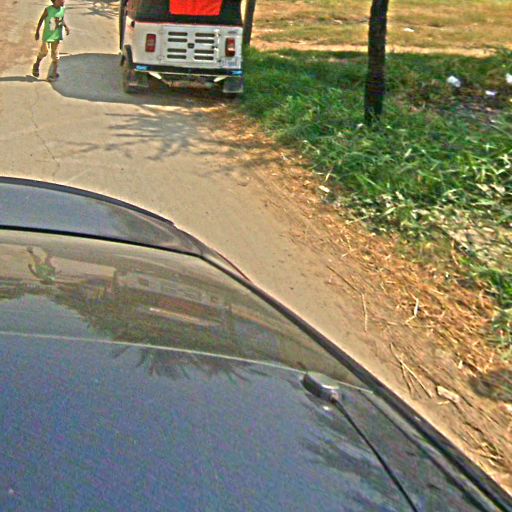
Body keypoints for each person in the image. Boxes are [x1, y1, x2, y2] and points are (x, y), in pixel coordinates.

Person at [32, 0, 70, 81]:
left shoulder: (62, 9)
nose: (63, 1)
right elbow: (41, 20)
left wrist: (66, 27)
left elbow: (61, 19)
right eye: (60, 0)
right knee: (44, 52)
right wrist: (37, 32)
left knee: (55, 55)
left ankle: (54, 73)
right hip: (47, 36)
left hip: (56, 36)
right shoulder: (48, 10)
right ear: (55, 1)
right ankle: (36, 64)